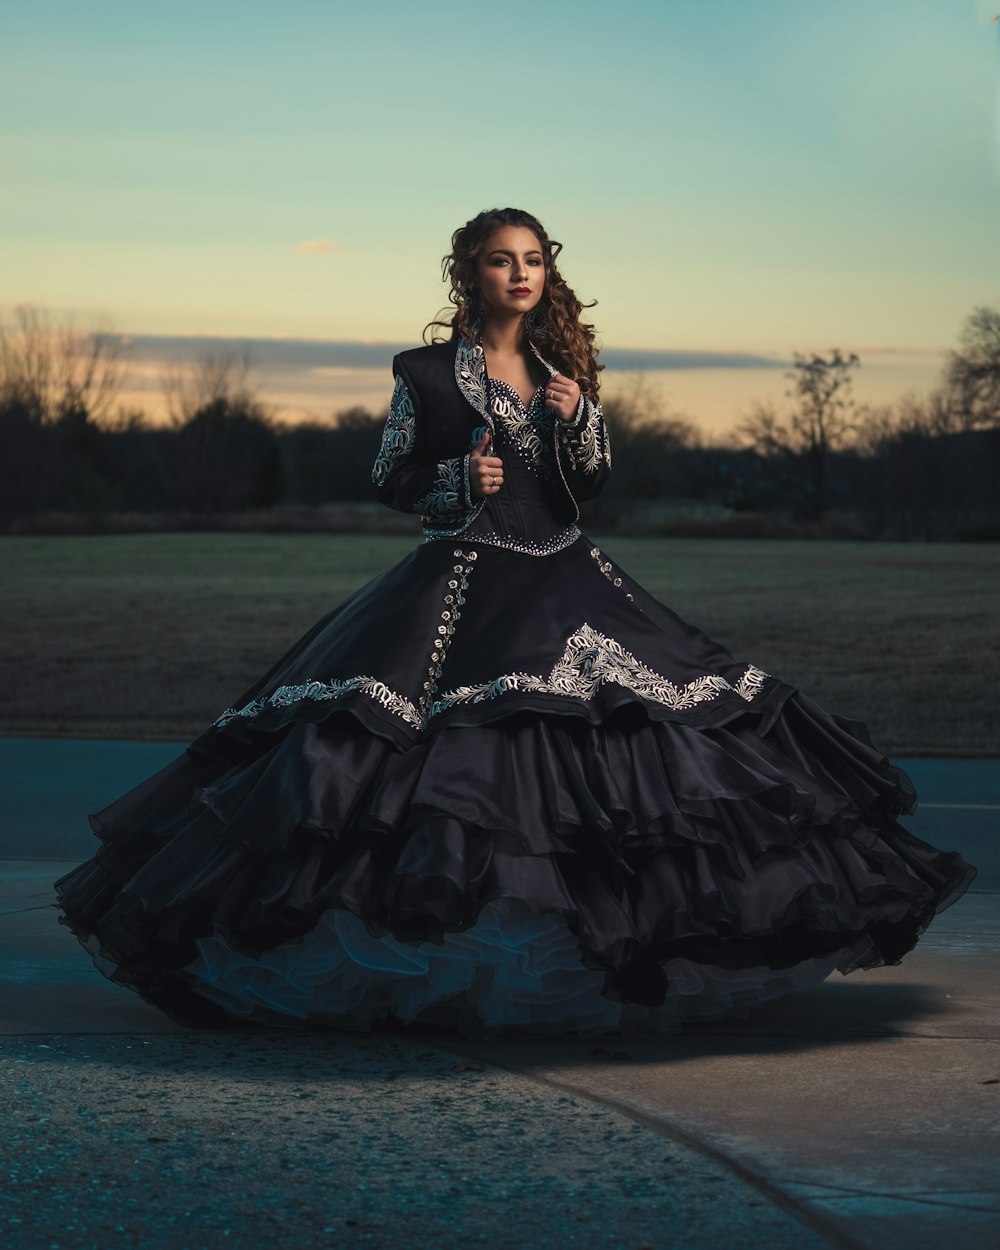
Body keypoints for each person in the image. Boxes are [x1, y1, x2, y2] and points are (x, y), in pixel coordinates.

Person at [55, 207, 977, 1040]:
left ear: (547, 273)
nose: (521, 274)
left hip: (572, 576)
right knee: (400, 753)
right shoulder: (422, 372)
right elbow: (390, 478)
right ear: (471, 276)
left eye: (533, 260)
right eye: (502, 261)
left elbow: (587, 489)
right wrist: (459, 483)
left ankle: (607, 944)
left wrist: (581, 427)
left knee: (642, 741)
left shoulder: (563, 375)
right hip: (457, 582)